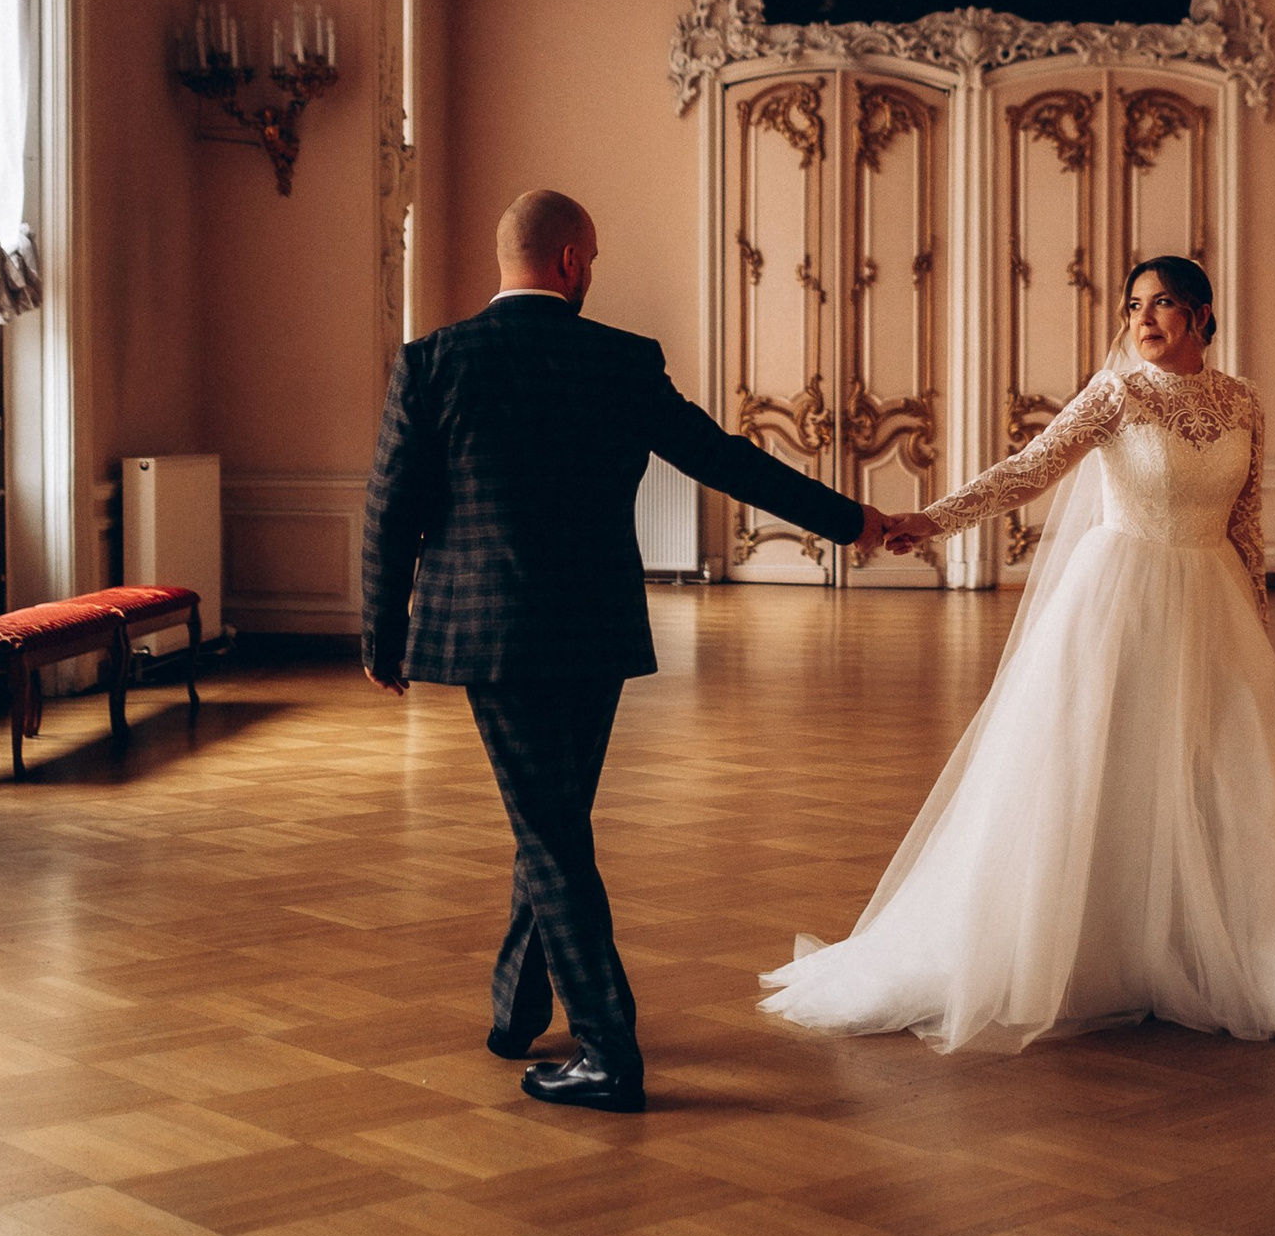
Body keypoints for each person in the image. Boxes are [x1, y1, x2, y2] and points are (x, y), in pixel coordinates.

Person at [762, 255, 1275, 1054]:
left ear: (1203, 315)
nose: (1145, 319)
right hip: (1119, 601)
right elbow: (1031, 470)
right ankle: (1082, 954)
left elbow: (1249, 523)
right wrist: (932, 519)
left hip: (1216, 604)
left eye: (1164, 303)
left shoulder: (1243, 402)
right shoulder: (1118, 393)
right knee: (1096, 770)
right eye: (1135, 304)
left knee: (1228, 780)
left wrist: (1261, 640)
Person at [364, 186, 893, 1113]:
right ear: (570, 261)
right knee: (556, 821)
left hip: (489, 633)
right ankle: (518, 1011)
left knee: (551, 830)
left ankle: (610, 1051)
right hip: (595, 627)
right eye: (593, 258)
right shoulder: (619, 359)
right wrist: (850, 520)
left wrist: (382, 630)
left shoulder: (435, 361)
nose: (591, 272)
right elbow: (727, 458)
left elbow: (389, 509)